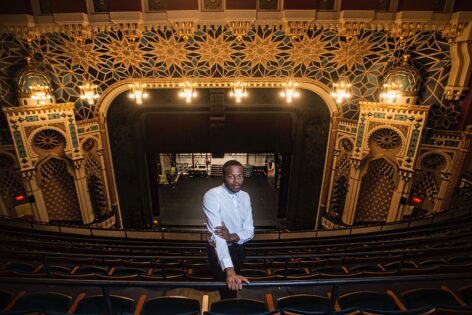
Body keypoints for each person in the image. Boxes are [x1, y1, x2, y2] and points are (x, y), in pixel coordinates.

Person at [203, 160, 254, 299]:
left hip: (240, 249)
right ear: (223, 177)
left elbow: (250, 231)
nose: (237, 181)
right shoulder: (212, 196)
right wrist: (229, 270)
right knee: (227, 290)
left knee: (233, 285)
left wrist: (231, 236)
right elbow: (219, 237)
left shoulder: (245, 196)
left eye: (240, 176)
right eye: (231, 176)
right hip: (218, 250)